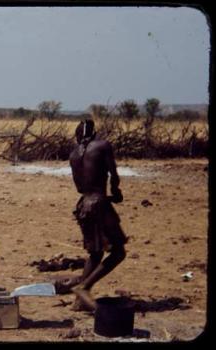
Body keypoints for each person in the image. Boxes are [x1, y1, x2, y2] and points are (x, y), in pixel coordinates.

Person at [68, 119, 127, 311]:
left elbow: (80, 186)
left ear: (78, 136)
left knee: (95, 254)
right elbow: (113, 174)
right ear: (93, 134)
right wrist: (116, 193)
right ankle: (84, 287)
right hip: (99, 203)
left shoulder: (73, 155)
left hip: (83, 205)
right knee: (118, 252)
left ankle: (79, 302)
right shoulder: (103, 145)